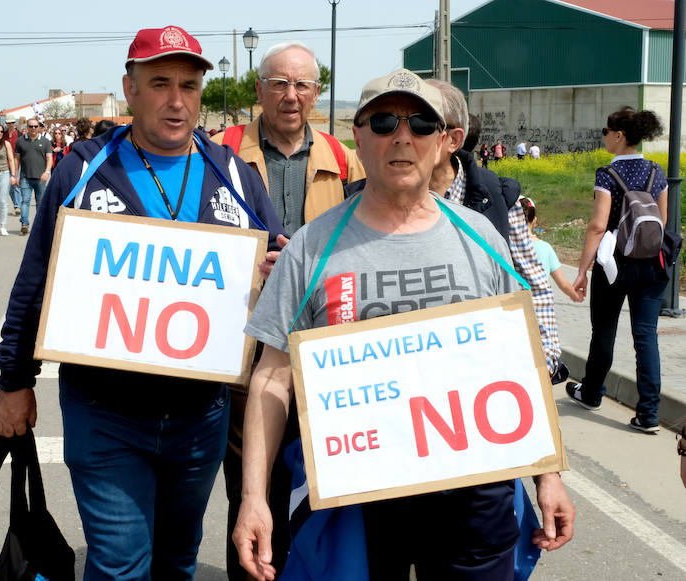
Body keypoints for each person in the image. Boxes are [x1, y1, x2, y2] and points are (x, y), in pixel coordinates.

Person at [233, 68, 575, 581]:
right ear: (359, 137)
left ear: (443, 143)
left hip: (474, 493)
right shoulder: (311, 246)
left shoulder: (481, 237)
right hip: (358, 500)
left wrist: (549, 475)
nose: (402, 136)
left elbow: (519, 362)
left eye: (420, 124)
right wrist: (253, 497)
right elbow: (271, 377)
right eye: (385, 121)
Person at [0, 25, 285, 580]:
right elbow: (34, 283)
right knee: (121, 565)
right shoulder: (81, 172)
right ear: (130, 88)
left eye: (190, 86)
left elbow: (279, 266)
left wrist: (276, 271)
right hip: (104, 413)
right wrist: (14, 380)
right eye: (160, 84)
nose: (177, 101)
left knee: (176, 562)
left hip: (200, 419)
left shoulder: (237, 179)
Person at [211, 40, 365, 580]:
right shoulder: (220, 150)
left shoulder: (341, 156)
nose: (291, 95)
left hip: (321, 353)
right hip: (246, 350)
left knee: (318, 491)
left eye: (302, 85)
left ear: (317, 93)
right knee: (252, 490)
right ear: (259, 90)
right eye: (279, 83)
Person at [423, 79, 562, 377]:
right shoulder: (375, 200)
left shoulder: (498, 197)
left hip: (481, 368)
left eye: (422, 123)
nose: (403, 136)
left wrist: (544, 358)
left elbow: (531, 280)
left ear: (453, 139)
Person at [567, 106, 668, 433]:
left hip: (613, 265)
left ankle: (592, 392)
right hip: (652, 265)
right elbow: (662, 223)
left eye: (606, 132)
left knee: (605, 330)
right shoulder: (657, 172)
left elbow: (597, 226)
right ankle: (649, 414)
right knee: (645, 335)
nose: (605, 137)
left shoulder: (607, 175)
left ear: (619, 135)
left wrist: (582, 271)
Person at [519, 196, 579, 301]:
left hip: (513, 307)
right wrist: (574, 295)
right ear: (534, 220)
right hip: (538, 308)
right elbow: (563, 284)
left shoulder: (507, 245)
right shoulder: (545, 248)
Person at [14, 118, 52, 235]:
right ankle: (24, 224)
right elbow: (16, 159)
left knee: (40, 203)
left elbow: (49, 158)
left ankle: (39, 226)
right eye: (31, 126)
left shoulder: (45, 141)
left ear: (39, 127)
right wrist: (15, 175)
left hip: (41, 177)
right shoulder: (20, 141)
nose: (33, 129)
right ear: (27, 127)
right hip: (25, 177)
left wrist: (47, 172)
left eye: (36, 126)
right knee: (25, 201)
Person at [6, 117, 22, 216]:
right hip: (6, 163)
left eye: (12, 123)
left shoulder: (20, 135)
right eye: (9, 123)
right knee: (9, 186)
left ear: (14, 123)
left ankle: (17, 206)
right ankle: (16, 202)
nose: (10, 125)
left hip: (17, 162)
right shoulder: (3, 135)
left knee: (16, 183)